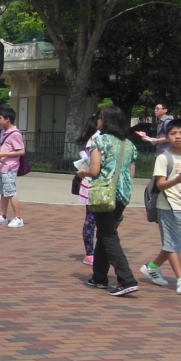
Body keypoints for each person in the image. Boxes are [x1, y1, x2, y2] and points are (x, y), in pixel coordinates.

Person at [78, 105, 138, 296]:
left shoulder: (100, 141)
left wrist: (83, 173)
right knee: (105, 233)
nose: (98, 120)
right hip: (123, 193)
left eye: (101, 117)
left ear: (107, 121)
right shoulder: (129, 144)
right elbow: (132, 172)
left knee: (109, 235)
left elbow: (95, 170)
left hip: (104, 193)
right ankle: (99, 277)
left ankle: (126, 279)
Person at [142, 120, 181, 295]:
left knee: (177, 244)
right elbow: (160, 184)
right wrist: (176, 180)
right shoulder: (163, 158)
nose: (177, 137)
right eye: (173, 133)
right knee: (172, 244)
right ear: (167, 137)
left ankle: (152, 267)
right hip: (167, 206)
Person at [0, 106, 25, 228]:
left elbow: (21, 151)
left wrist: (4, 154)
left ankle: (18, 218)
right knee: (3, 192)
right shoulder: (4, 132)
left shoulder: (15, 134)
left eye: (0, 118)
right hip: (2, 166)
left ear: (8, 119)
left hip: (10, 167)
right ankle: (3, 216)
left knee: (11, 192)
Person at [75, 113, 101, 264]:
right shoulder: (96, 138)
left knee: (94, 219)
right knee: (91, 219)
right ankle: (90, 253)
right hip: (93, 182)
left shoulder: (103, 137)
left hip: (98, 182)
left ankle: (94, 252)